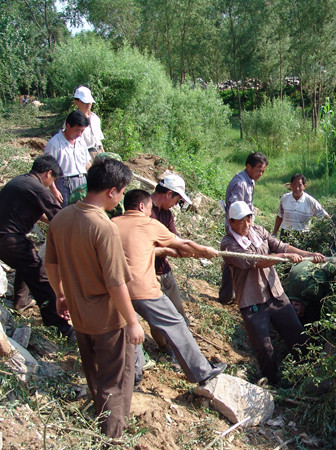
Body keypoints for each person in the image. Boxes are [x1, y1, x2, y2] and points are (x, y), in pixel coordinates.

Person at [45, 158, 145, 439]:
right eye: (123, 192)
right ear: (112, 191)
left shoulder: (61, 218)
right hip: (108, 320)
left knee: (96, 377)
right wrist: (133, 321)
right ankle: (112, 438)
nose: (122, 198)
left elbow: (50, 265)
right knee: (116, 382)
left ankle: (102, 425)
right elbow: (116, 282)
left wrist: (60, 295)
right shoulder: (105, 227)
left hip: (79, 316)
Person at [112, 189, 226, 386]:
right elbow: (184, 242)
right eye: (149, 208)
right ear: (141, 206)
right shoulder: (148, 223)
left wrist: (166, 251)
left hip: (117, 291)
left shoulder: (112, 224)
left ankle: (134, 372)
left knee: (128, 330)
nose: (150, 211)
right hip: (144, 290)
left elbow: (137, 249)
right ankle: (202, 372)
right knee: (175, 324)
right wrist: (205, 251)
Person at [221, 201, 325, 385]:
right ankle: (273, 384)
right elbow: (255, 261)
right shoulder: (228, 244)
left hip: (275, 294)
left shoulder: (258, 231)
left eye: (249, 219)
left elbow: (282, 246)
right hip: (252, 302)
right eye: (241, 221)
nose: (247, 225)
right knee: (264, 347)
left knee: (298, 335)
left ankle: (311, 373)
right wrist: (283, 258)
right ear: (231, 222)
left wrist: (309, 255)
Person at [0, 155, 74, 340]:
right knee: (40, 276)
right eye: (52, 181)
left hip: (5, 237)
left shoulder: (20, 181)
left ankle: (20, 301)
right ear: (48, 173)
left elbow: (44, 214)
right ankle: (59, 326)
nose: (51, 184)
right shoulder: (38, 188)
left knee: (28, 260)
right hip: (9, 239)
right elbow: (59, 216)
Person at [150, 175, 194, 353]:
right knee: (159, 318)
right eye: (177, 199)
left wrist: (189, 249)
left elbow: (174, 240)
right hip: (148, 274)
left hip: (164, 271)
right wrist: (172, 249)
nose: (176, 204)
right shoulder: (144, 211)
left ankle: (182, 348)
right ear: (169, 194)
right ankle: (165, 349)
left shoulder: (166, 214)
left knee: (178, 314)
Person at [219, 152, 268, 304]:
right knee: (237, 259)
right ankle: (230, 295)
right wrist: (244, 229)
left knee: (233, 260)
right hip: (238, 228)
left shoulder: (249, 181)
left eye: (263, 170)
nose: (260, 173)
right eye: (258, 169)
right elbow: (237, 210)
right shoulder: (241, 183)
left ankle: (228, 294)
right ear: (248, 166)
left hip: (243, 226)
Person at [44, 110, 91, 207]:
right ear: (68, 126)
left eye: (82, 131)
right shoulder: (54, 144)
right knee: (67, 212)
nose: (79, 134)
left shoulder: (81, 142)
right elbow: (48, 170)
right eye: (77, 130)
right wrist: (54, 190)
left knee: (83, 212)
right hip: (64, 184)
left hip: (82, 181)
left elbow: (87, 163)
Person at [273, 173, 330, 237]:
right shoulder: (285, 198)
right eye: (294, 185)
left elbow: (324, 215)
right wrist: (274, 234)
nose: (297, 188)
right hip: (286, 233)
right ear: (291, 186)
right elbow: (280, 216)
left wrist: (332, 229)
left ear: (304, 186)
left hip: (302, 235)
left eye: (300, 185)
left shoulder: (310, 201)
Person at [282, 260, 336, 325]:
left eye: (301, 313)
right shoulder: (284, 291)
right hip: (307, 260)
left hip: (322, 261)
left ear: (294, 305)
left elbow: (322, 276)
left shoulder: (311, 292)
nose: (302, 313)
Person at [72, 86, 104, 158]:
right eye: (85, 102)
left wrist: (103, 153)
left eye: (89, 101)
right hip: (83, 154)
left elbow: (99, 141)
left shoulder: (95, 118)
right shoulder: (73, 120)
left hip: (98, 153)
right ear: (76, 102)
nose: (89, 104)